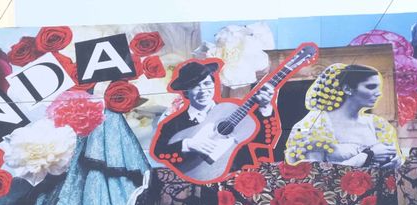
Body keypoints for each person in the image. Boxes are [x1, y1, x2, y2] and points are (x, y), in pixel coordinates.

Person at [151, 58, 280, 179]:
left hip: (244, 178)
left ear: (214, 85)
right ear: (186, 92)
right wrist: (188, 144)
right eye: (195, 86)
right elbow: (160, 153)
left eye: (207, 83)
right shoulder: (173, 124)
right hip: (202, 183)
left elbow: (267, 140)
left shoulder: (233, 111)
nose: (203, 91)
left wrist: (265, 108)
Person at [284, 63, 399, 168]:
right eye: (371, 87)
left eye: (379, 88)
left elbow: (396, 163)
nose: (379, 93)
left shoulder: (378, 124)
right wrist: (368, 154)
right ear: (347, 89)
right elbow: (314, 173)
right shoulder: (315, 125)